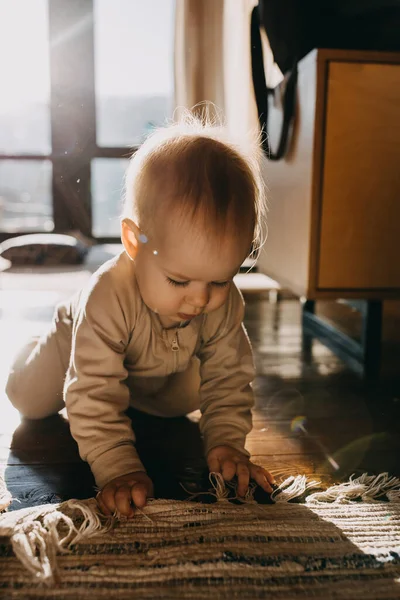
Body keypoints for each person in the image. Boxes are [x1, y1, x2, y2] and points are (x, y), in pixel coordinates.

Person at [6, 112, 275, 518]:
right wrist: (119, 468)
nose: (200, 300)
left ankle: (131, 395)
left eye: (220, 280)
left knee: (197, 387)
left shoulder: (223, 303)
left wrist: (227, 445)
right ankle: (36, 349)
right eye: (179, 280)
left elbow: (229, 379)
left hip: (157, 368)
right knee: (28, 398)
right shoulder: (108, 296)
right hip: (79, 345)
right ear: (133, 241)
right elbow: (93, 393)